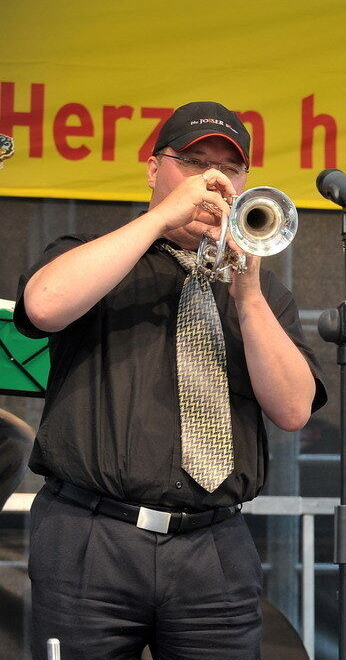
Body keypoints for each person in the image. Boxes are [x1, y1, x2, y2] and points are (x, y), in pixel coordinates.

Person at [15, 101, 326, 659]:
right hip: (92, 535)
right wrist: (161, 219)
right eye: (192, 160)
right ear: (155, 170)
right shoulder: (92, 255)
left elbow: (294, 410)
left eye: (229, 169)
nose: (212, 179)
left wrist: (248, 293)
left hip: (214, 545)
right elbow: (42, 305)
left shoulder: (266, 295)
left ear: (246, 183)